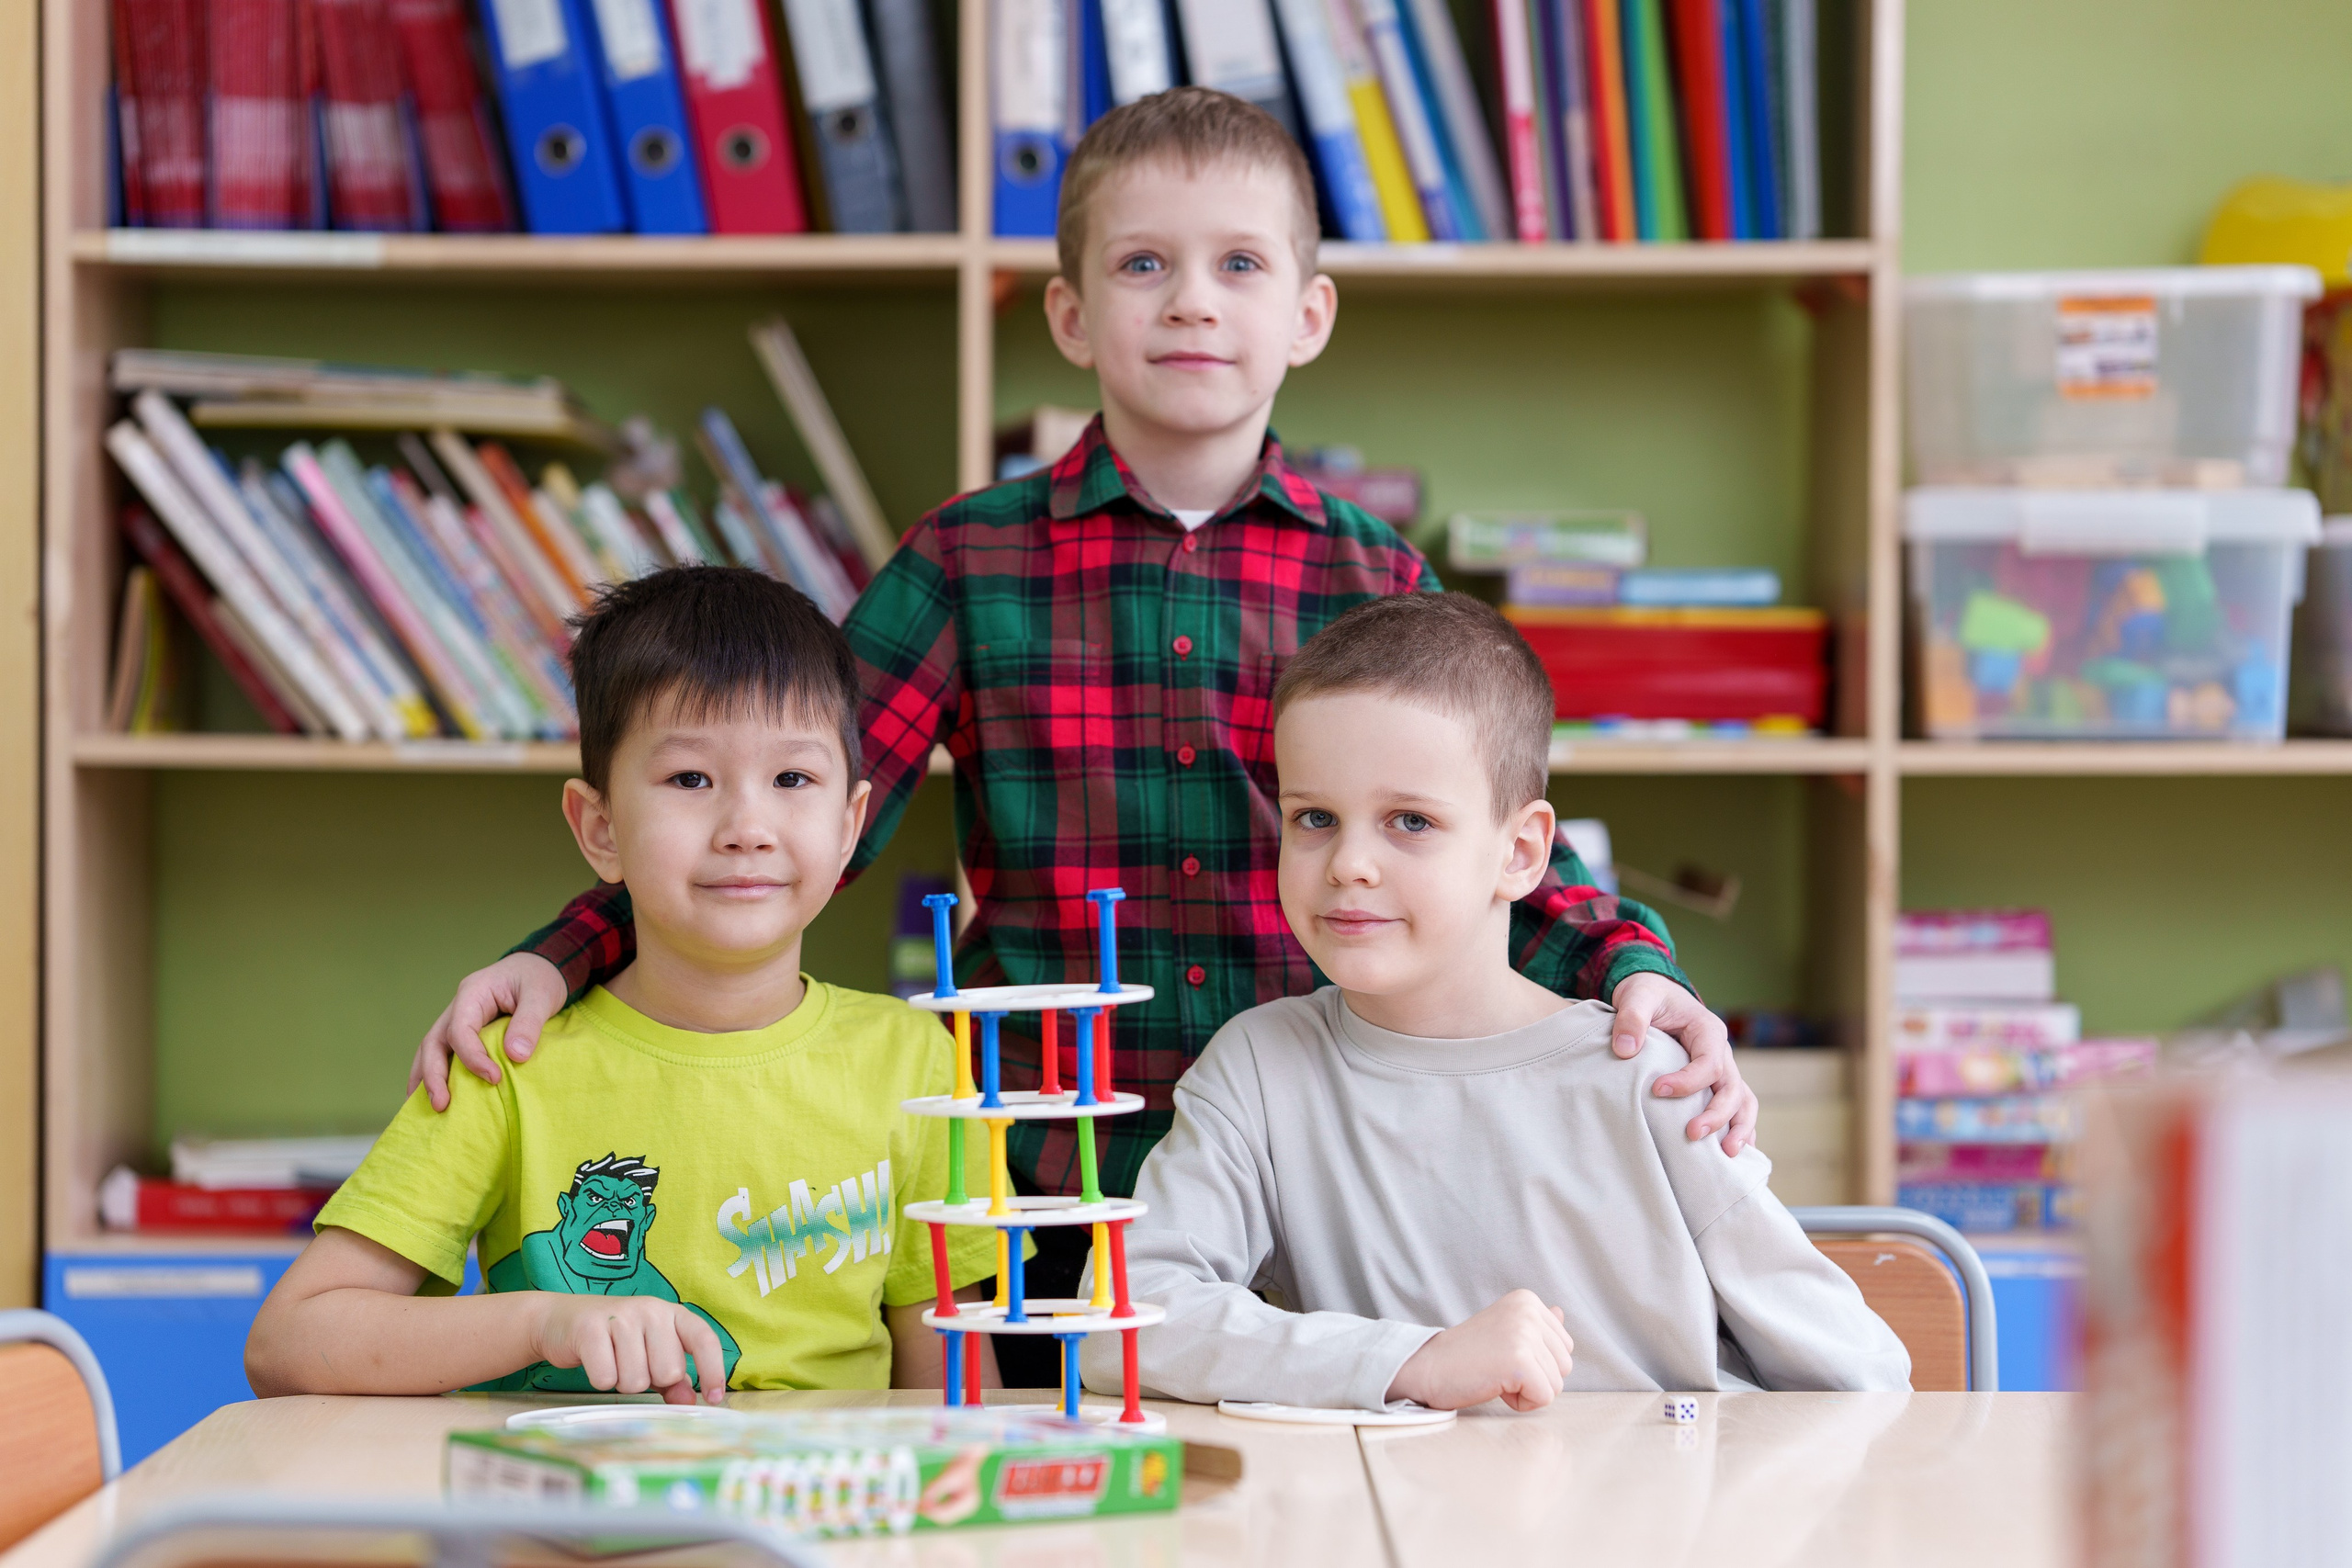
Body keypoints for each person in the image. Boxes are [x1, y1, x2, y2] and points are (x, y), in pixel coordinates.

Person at [403, 89, 1756, 1379]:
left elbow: (1481, 847)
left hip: (1325, 1174)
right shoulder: (966, 561)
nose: (1191, 301)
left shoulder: (1373, 578)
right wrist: (561, 955)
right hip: (1043, 1181)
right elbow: (786, 811)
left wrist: (1635, 965)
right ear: (1068, 310)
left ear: (1308, 314)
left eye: (1238, 264)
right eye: (1143, 264)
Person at [1083, 594, 1910, 1410]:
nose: (1349, 864)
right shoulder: (1258, 1070)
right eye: (1315, 817)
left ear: (1520, 853)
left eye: (1409, 819)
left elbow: (1863, 1381)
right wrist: (1415, 1360)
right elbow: (1119, 1316)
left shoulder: (1649, 1080)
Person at [245, 569, 1001, 1403]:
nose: (746, 829)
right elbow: (289, 1343)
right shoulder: (506, 1062)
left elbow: (955, 1396)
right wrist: (545, 1323)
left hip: (822, 1523)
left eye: (792, 780)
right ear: (599, 829)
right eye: (690, 779)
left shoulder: (920, 1065)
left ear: (850, 822)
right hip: (573, 1521)